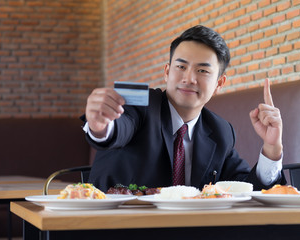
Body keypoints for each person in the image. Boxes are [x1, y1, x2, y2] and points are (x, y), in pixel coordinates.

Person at [82, 25, 285, 192]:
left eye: (202, 70)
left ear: (219, 83)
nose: (189, 78)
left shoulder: (221, 132)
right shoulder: (140, 104)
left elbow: (247, 188)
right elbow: (117, 127)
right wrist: (101, 126)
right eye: (181, 67)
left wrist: (272, 148)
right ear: (167, 72)